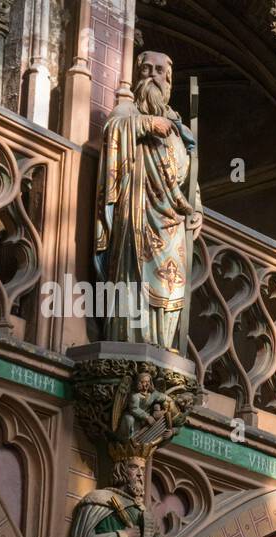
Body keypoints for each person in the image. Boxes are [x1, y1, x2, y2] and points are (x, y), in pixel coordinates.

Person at [94, 51, 202, 350]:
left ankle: (161, 344)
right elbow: (112, 133)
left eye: (159, 71)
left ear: (169, 80)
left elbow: (188, 177)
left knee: (172, 282)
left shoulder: (180, 128)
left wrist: (197, 209)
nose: (152, 76)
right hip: (137, 214)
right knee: (135, 280)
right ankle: (131, 338)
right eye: (145, 70)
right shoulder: (127, 113)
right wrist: (145, 126)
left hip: (173, 220)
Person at [70, 457, 162, 537]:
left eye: (142, 469)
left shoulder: (141, 510)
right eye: (133, 467)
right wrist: (124, 536)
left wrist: (154, 536)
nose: (140, 474)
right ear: (120, 471)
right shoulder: (100, 499)